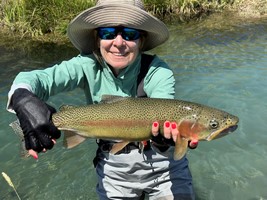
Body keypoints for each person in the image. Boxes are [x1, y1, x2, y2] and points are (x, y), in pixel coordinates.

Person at [7, 0, 197, 199]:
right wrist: (22, 97)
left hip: (164, 167)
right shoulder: (85, 65)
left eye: (130, 34)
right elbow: (39, 79)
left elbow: (164, 109)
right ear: (97, 38)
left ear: (141, 40)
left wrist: (163, 140)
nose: (118, 42)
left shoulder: (158, 71)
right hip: (113, 168)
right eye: (108, 33)